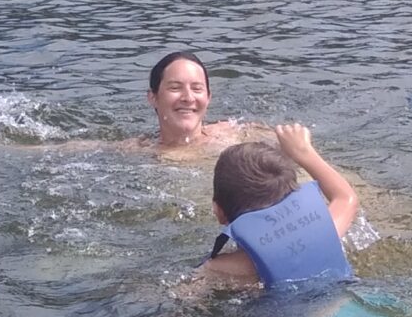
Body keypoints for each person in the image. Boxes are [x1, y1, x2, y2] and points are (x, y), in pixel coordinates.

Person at [198, 123, 360, 289]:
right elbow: (346, 197)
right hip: (352, 297)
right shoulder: (326, 229)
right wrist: (304, 152)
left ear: (218, 211)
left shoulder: (222, 268)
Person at [144, 50, 259, 159]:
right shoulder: (138, 152)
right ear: (153, 97)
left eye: (197, 89)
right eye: (175, 88)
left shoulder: (236, 136)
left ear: (208, 97)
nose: (188, 98)